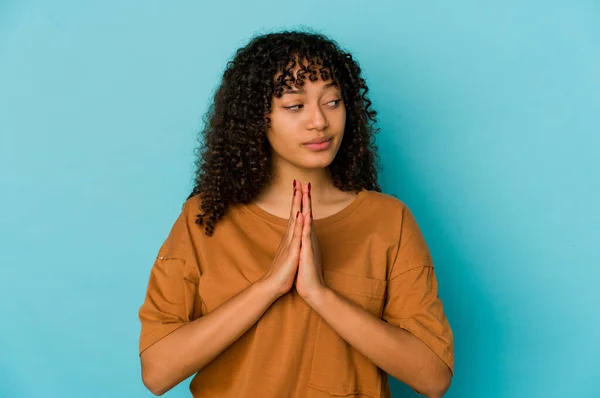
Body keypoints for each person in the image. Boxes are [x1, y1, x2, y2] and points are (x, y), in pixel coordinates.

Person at [137, 30, 454, 398]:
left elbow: (433, 377)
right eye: (295, 105)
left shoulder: (389, 220)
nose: (319, 121)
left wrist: (319, 294)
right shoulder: (205, 218)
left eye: (332, 102)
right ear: (258, 117)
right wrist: (269, 286)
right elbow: (157, 372)